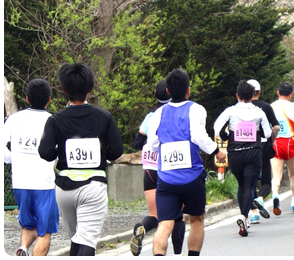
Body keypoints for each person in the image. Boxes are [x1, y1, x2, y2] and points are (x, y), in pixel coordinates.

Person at [39, 63, 124, 256]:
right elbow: (117, 150)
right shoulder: (104, 117)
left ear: (63, 90)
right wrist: (102, 155)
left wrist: (60, 154)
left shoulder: (56, 119)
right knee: (86, 241)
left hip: (64, 189)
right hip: (92, 186)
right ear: (90, 89)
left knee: (77, 239)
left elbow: (44, 152)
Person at [148, 69, 225, 255]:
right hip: (191, 176)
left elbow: (152, 145)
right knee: (196, 219)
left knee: (164, 224)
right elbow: (198, 136)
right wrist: (217, 151)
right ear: (188, 90)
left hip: (166, 179)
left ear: (167, 91)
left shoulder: (158, 114)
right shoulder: (196, 109)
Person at [130, 80, 185, 256]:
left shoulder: (150, 117)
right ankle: (177, 253)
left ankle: (143, 229)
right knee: (178, 215)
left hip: (149, 169)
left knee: (155, 216)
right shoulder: (176, 114)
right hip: (170, 169)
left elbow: (138, 142)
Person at [4, 79, 59, 256]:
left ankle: (23, 248)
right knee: (45, 231)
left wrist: (14, 158)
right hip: (44, 183)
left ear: (27, 98)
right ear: (49, 99)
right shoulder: (53, 120)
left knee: (30, 224)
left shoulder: (14, 119)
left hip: (20, 182)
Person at [214, 80, 271, 237]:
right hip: (253, 152)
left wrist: (225, 136)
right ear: (253, 96)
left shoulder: (230, 111)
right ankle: (243, 216)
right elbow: (267, 133)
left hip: (235, 153)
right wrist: (257, 132)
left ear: (237, 95)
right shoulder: (259, 112)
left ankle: (243, 219)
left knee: (241, 184)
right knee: (248, 186)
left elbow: (216, 127)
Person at [246, 79, 279, 224]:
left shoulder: (240, 108)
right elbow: (276, 126)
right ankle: (260, 199)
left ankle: (254, 214)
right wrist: (272, 139)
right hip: (264, 146)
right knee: (266, 181)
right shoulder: (266, 106)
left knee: (250, 181)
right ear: (259, 92)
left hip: (247, 147)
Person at [270, 82, 294, 215]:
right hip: (289, 141)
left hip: (276, 141)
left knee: (277, 175)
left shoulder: (271, 106)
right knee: (292, 174)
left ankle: (275, 195)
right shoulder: (291, 106)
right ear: (291, 94)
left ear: (278, 92)